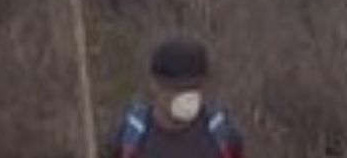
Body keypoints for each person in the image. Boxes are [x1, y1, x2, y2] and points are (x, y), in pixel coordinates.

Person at [99, 36, 244, 158]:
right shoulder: (125, 139)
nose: (187, 97)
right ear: (155, 85)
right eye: (178, 89)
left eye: (194, 88)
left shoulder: (223, 135)